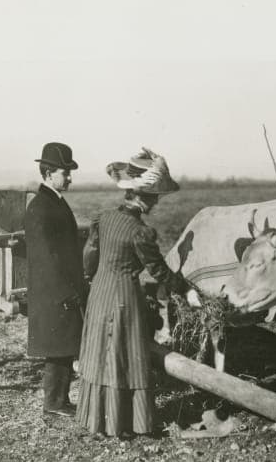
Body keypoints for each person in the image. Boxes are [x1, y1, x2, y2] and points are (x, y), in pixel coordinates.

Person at [74, 148, 200, 439]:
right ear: (142, 195)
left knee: (101, 355)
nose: (156, 202)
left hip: (99, 294)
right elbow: (158, 271)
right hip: (123, 299)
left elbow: (89, 255)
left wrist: (94, 278)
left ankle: (98, 420)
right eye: (154, 195)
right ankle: (128, 422)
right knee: (125, 355)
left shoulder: (103, 219)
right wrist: (186, 290)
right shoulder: (139, 231)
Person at [24, 142, 87, 417]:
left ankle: (60, 400)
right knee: (57, 345)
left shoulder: (54, 203)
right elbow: (45, 259)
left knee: (64, 344)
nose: (70, 177)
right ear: (49, 174)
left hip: (62, 288)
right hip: (53, 291)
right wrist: (65, 292)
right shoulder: (40, 208)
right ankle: (53, 402)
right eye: (65, 172)